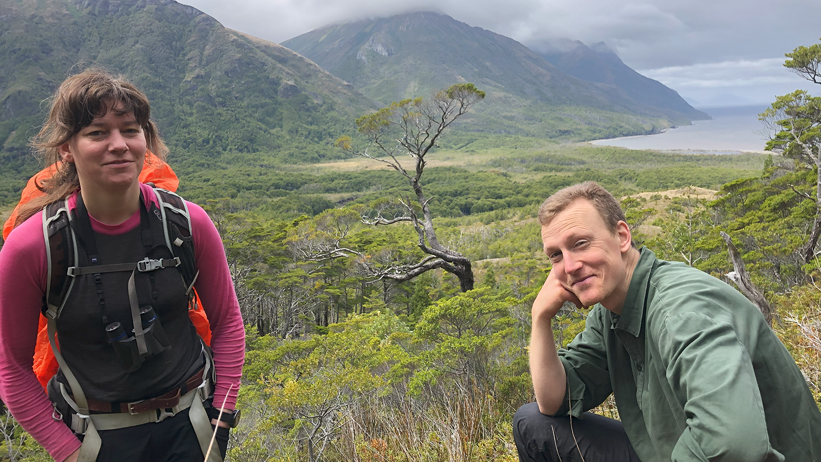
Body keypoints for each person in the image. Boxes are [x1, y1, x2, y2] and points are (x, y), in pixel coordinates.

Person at [0, 70, 245, 462]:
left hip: (194, 424)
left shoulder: (187, 224)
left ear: (145, 139)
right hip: (97, 439)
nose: (119, 145)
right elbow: (11, 368)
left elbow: (229, 322)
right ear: (67, 148)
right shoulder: (34, 247)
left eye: (131, 130)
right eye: (97, 133)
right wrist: (70, 453)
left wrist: (221, 416)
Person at [513, 182, 821, 462]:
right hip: (671, 449)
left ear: (621, 236)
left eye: (580, 243)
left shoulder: (681, 311)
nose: (569, 266)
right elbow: (553, 402)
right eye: (555, 255)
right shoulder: (612, 309)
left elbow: (736, 445)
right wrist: (540, 319)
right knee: (533, 424)